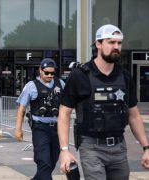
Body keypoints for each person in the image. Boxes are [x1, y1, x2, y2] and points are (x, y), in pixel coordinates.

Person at [58, 24, 149, 179]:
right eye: (111, 42)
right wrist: (65, 150)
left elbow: (133, 115)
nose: (116, 47)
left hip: (119, 147)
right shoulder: (79, 76)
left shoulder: (125, 77)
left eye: (119, 43)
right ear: (98, 44)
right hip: (91, 146)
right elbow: (64, 114)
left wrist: (146, 147)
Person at [15, 58, 65, 180]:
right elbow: (21, 109)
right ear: (40, 70)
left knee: (51, 162)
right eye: (47, 72)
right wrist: (18, 129)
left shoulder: (61, 84)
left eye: (52, 73)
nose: (50, 76)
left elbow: (66, 106)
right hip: (40, 128)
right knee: (44, 162)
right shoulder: (31, 86)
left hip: (57, 129)